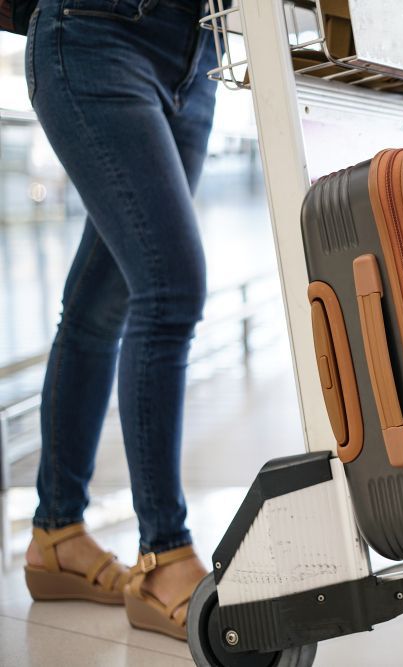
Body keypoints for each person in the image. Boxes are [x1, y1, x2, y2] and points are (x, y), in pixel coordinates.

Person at [21, 0, 219, 641]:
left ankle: (58, 533)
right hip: (98, 27)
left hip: (199, 50)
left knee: (100, 303)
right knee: (169, 290)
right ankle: (165, 553)